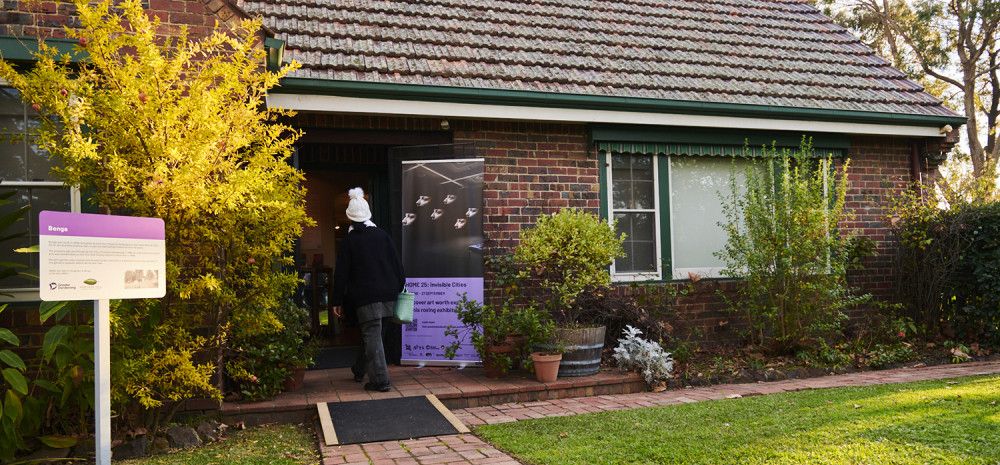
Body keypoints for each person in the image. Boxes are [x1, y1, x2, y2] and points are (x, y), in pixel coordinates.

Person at [331, 187, 405, 392]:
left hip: (366, 296)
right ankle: (359, 369)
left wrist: (337, 300)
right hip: (389, 293)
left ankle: (381, 380)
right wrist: (399, 287)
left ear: (349, 217)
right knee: (375, 335)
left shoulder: (350, 241)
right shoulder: (383, 236)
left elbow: (342, 273)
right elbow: (397, 265)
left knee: (372, 335)